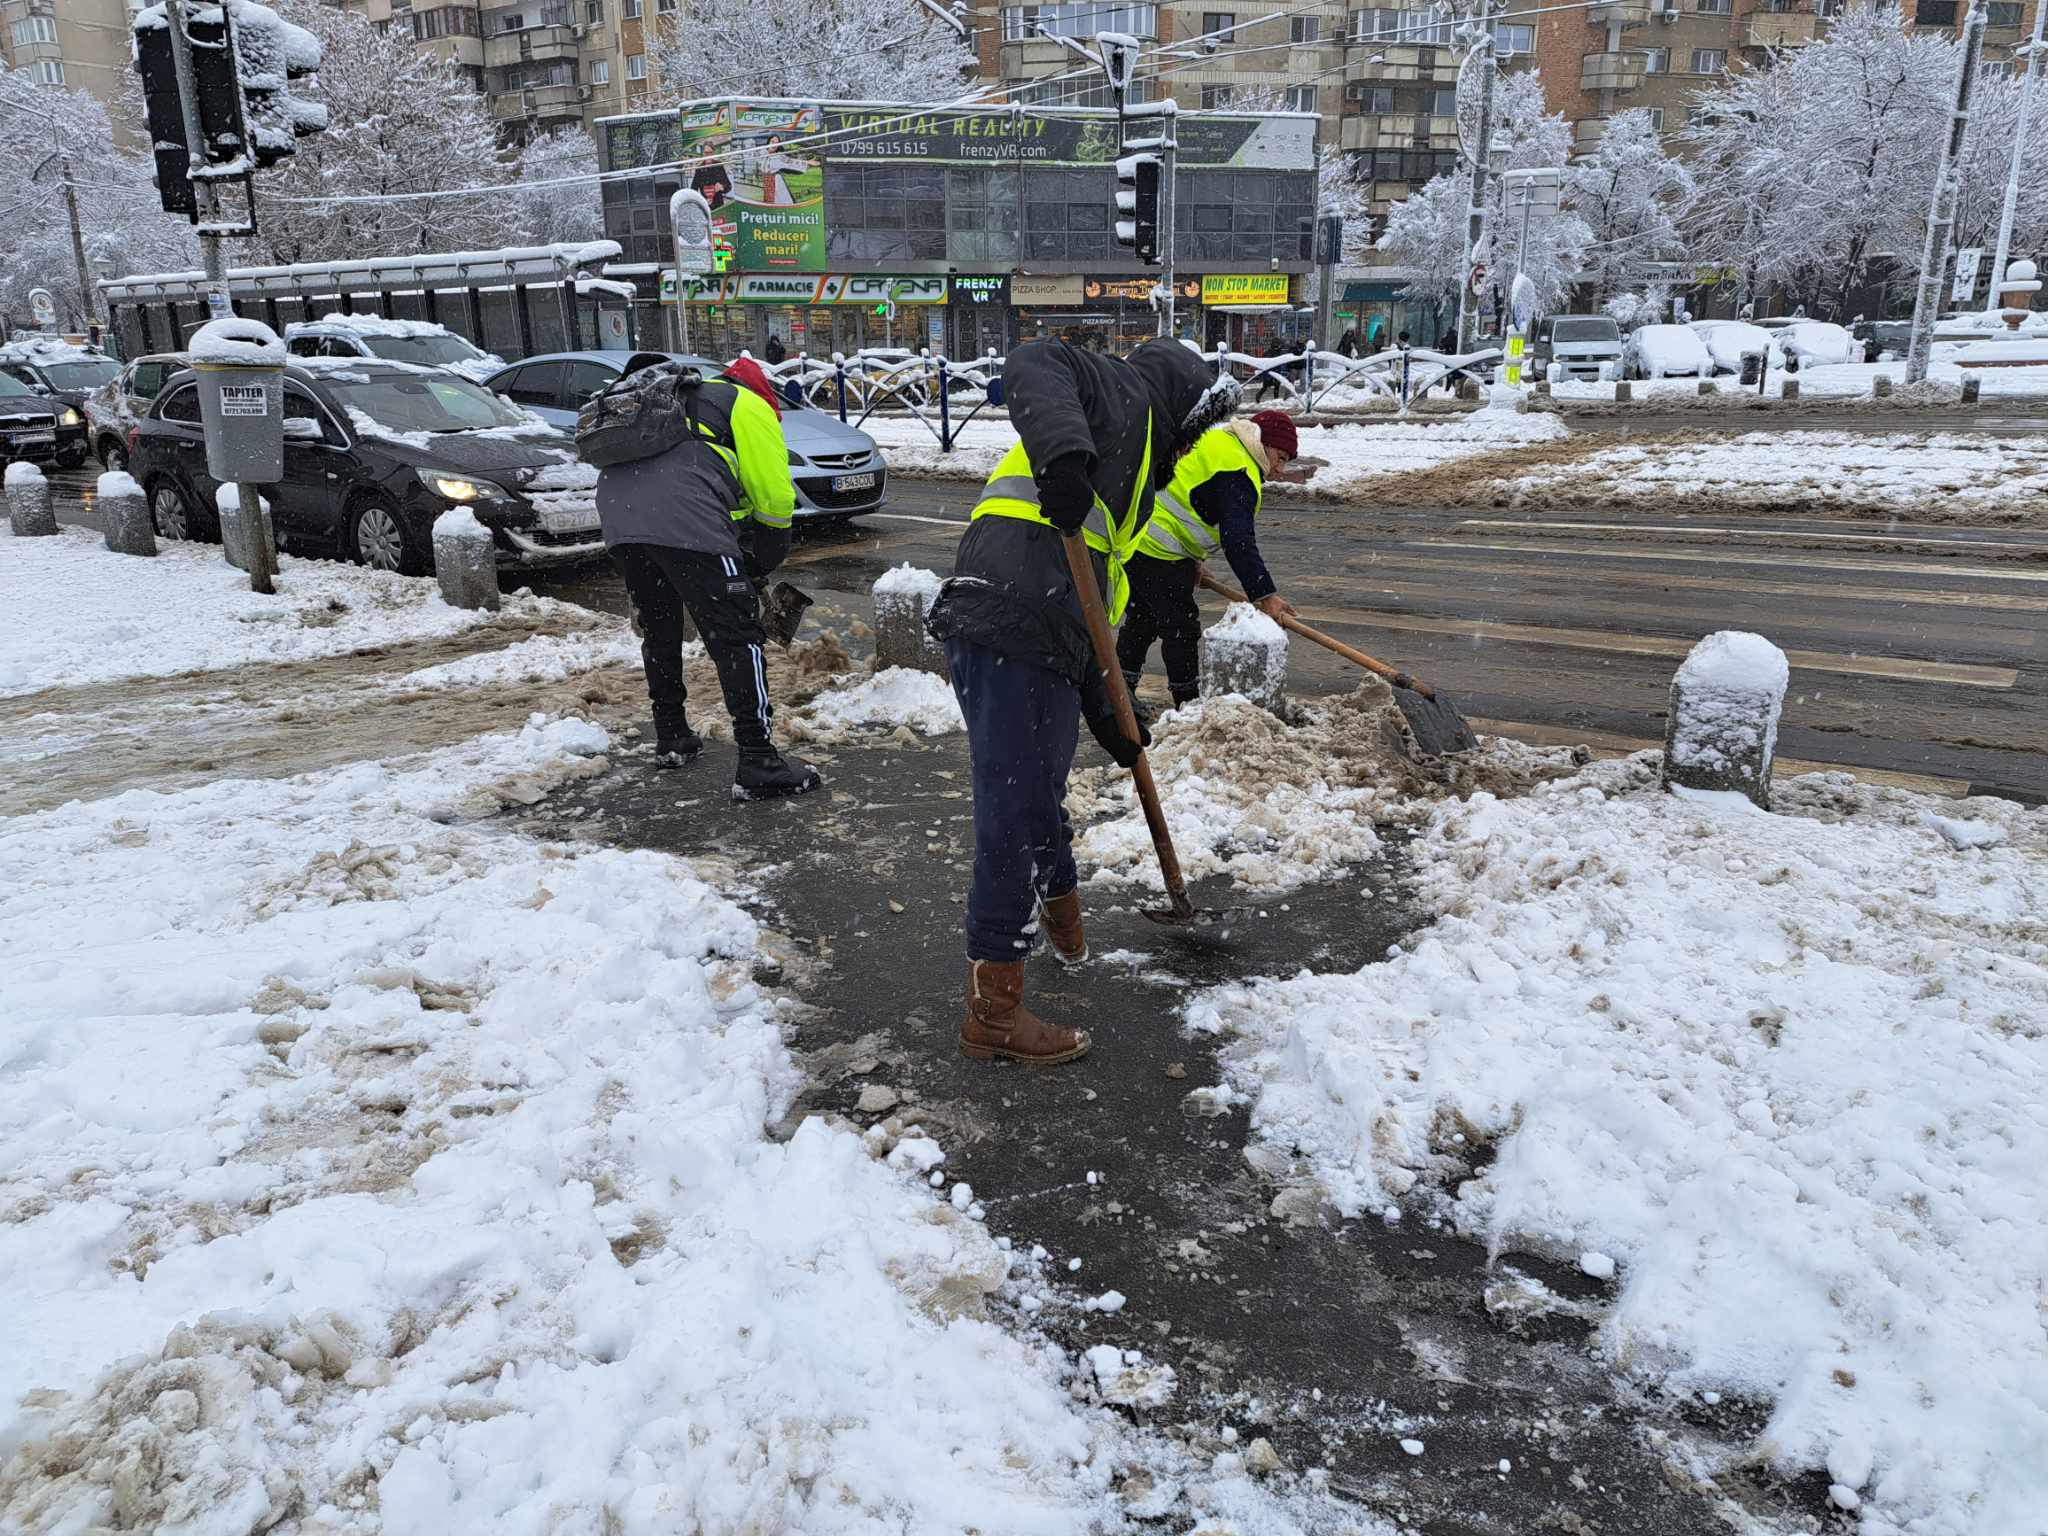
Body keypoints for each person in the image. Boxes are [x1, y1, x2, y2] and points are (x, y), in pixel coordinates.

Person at [926, 337, 1240, 1067]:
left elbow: (1092, 607)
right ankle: (993, 1011)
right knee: (1013, 811)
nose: (1190, 448)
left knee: (1035, 794)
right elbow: (1035, 360)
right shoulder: (1126, 397)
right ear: (1181, 407)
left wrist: (1108, 713)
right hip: (1008, 617)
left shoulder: (1133, 469)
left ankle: (1063, 921)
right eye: (1194, 430)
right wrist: (1064, 460)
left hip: (1038, 630)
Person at [595, 356, 821, 800]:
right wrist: (763, 559)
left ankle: (672, 737)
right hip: (687, 522)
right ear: (765, 396)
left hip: (622, 524)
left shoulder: (670, 406)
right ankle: (758, 760)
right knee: (737, 639)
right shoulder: (746, 404)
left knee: (660, 630)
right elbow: (775, 497)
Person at [1116, 410, 1300, 708]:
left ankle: (1118, 692)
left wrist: (1192, 560)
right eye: (1280, 457)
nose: (1280, 469)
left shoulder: (1220, 441)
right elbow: (1237, 541)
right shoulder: (1239, 470)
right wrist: (1265, 595)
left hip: (1136, 532)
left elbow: (1190, 494)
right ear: (1262, 443)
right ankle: (1188, 705)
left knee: (1144, 617)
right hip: (1157, 546)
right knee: (1181, 627)